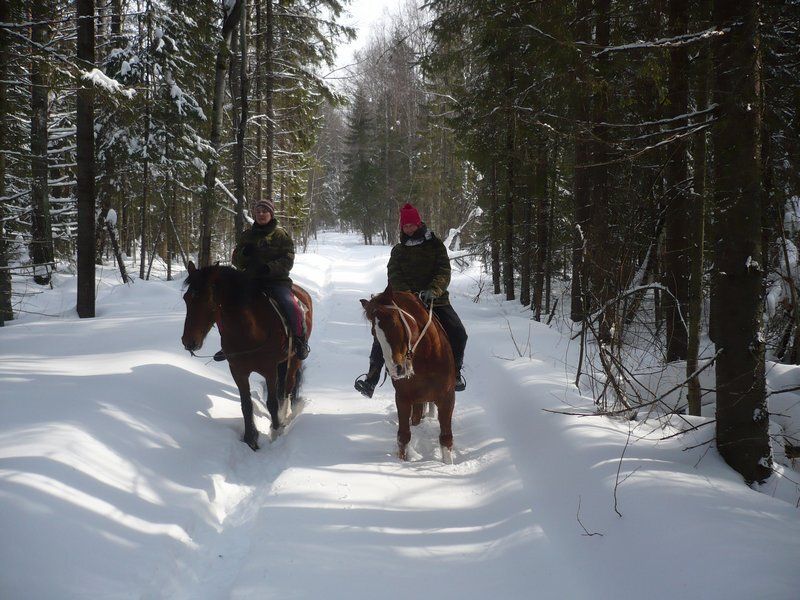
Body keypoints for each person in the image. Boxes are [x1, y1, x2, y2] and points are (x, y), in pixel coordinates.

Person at [354, 203, 468, 397]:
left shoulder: (435, 245)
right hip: (405, 302)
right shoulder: (398, 250)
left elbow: (443, 270)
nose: (408, 229)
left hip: (436, 300)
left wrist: (434, 290)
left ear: (418, 224)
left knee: (458, 332)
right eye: (405, 226)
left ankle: (455, 373)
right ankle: (371, 378)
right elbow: (394, 274)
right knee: (383, 335)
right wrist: (408, 295)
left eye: (411, 225)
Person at [214, 198, 309, 361]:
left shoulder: (281, 235)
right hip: (250, 281)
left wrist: (268, 268)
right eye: (258, 212)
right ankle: (228, 344)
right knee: (225, 305)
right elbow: (235, 260)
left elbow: (288, 259)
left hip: (276, 281)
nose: (261, 214)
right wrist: (244, 254)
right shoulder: (247, 235)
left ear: (271, 213)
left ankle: (300, 341)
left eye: (264, 211)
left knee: (289, 304)